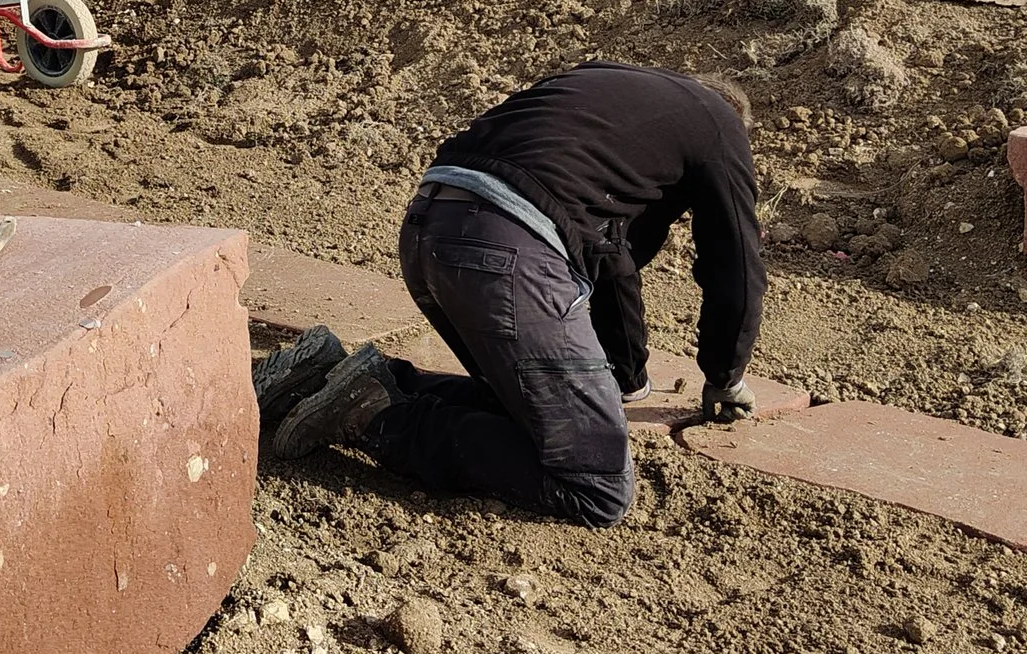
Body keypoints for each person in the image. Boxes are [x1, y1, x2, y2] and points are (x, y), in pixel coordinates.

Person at [262, 61, 767, 528]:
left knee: (524, 408)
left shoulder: (613, 95)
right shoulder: (721, 126)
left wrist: (626, 379)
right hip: (505, 250)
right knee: (596, 485)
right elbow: (736, 268)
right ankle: (371, 415)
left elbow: (613, 259)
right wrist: (725, 378)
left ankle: (332, 375)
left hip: (429, 224)